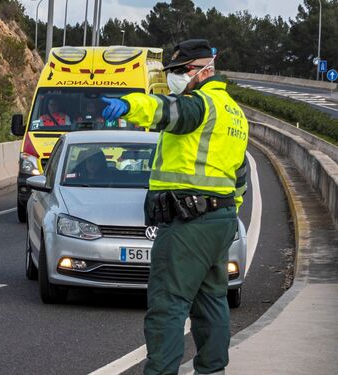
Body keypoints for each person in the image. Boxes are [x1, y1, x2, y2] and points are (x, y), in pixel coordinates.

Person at [102, 39, 249, 375]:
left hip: (189, 222)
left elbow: (167, 111)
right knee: (211, 303)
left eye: (182, 70)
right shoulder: (234, 114)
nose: (176, 77)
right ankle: (213, 371)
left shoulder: (200, 105)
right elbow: (239, 176)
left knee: (168, 305)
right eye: (174, 72)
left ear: (204, 69)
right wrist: (226, 216)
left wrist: (129, 105)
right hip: (220, 219)